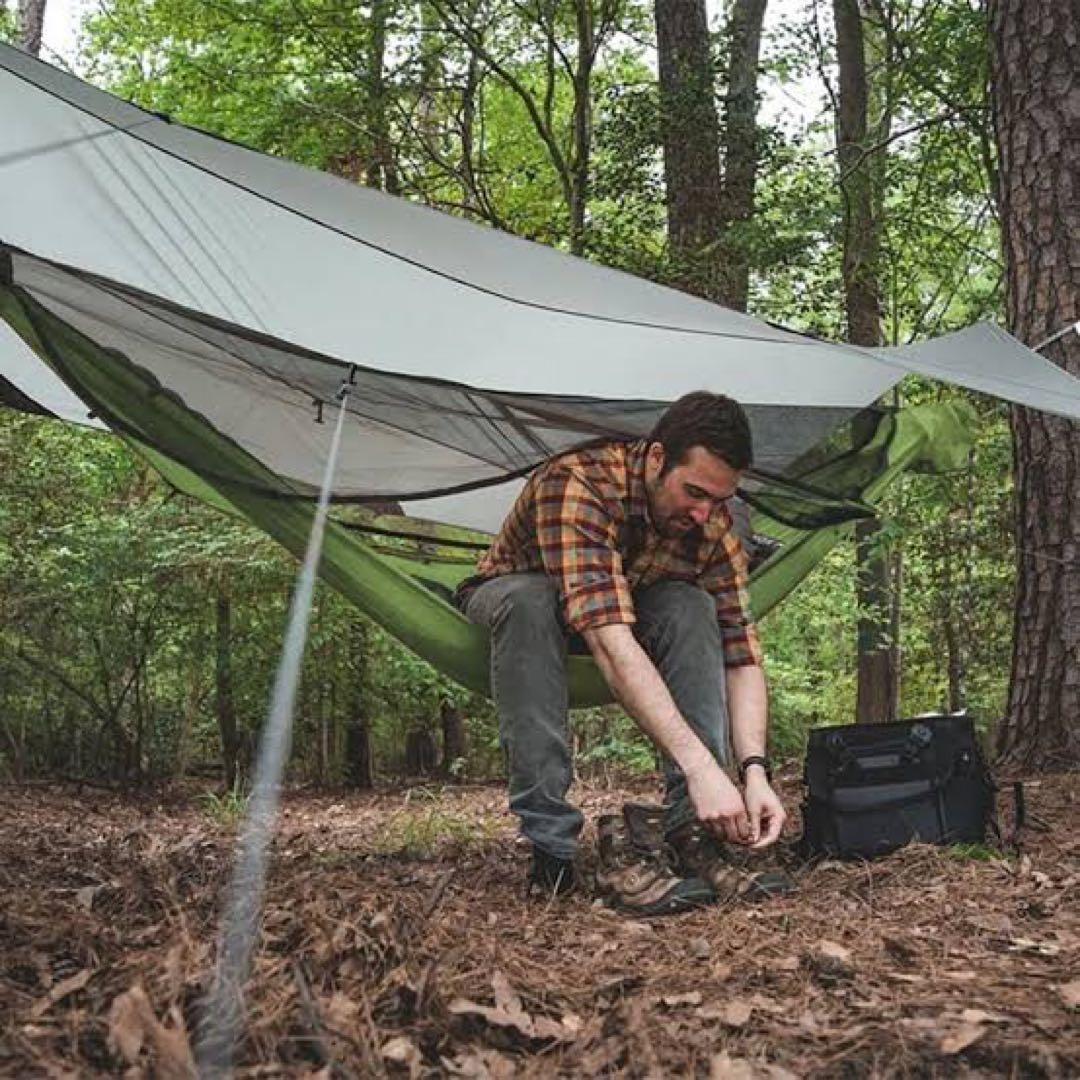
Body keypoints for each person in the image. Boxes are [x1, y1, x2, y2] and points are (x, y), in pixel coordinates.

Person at [456, 391, 787, 914]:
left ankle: (694, 830)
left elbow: (741, 656)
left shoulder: (713, 525)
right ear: (657, 459)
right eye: (694, 492)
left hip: (625, 605)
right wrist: (704, 767)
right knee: (532, 600)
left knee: (689, 604)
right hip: (518, 598)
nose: (704, 514)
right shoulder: (579, 481)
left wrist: (752, 771)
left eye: (719, 500)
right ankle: (552, 848)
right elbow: (611, 644)